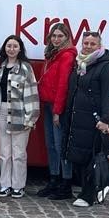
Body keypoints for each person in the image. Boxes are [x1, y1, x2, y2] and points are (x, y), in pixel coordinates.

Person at [61, 31, 109, 208]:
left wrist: (105, 120)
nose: (88, 46)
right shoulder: (81, 63)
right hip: (77, 117)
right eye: (86, 43)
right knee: (77, 156)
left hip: (93, 120)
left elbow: (108, 95)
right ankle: (90, 189)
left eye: (92, 44)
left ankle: (88, 194)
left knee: (90, 157)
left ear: (99, 46)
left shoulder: (105, 67)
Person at [0, 35, 40, 198]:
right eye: (9, 46)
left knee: (19, 152)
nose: (11, 49)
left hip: (20, 113)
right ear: (5, 48)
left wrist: (31, 118)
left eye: (15, 46)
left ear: (20, 49)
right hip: (2, 112)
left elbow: (32, 93)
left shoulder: (26, 68)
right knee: (4, 152)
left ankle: (18, 186)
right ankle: (5, 185)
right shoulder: (0, 67)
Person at [37, 22, 78, 200]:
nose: (56, 39)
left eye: (60, 36)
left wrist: (57, 111)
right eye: (53, 36)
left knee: (61, 146)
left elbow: (63, 85)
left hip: (57, 107)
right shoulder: (51, 54)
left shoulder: (67, 56)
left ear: (67, 38)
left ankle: (66, 183)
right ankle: (54, 180)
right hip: (47, 104)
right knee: (51, 145)